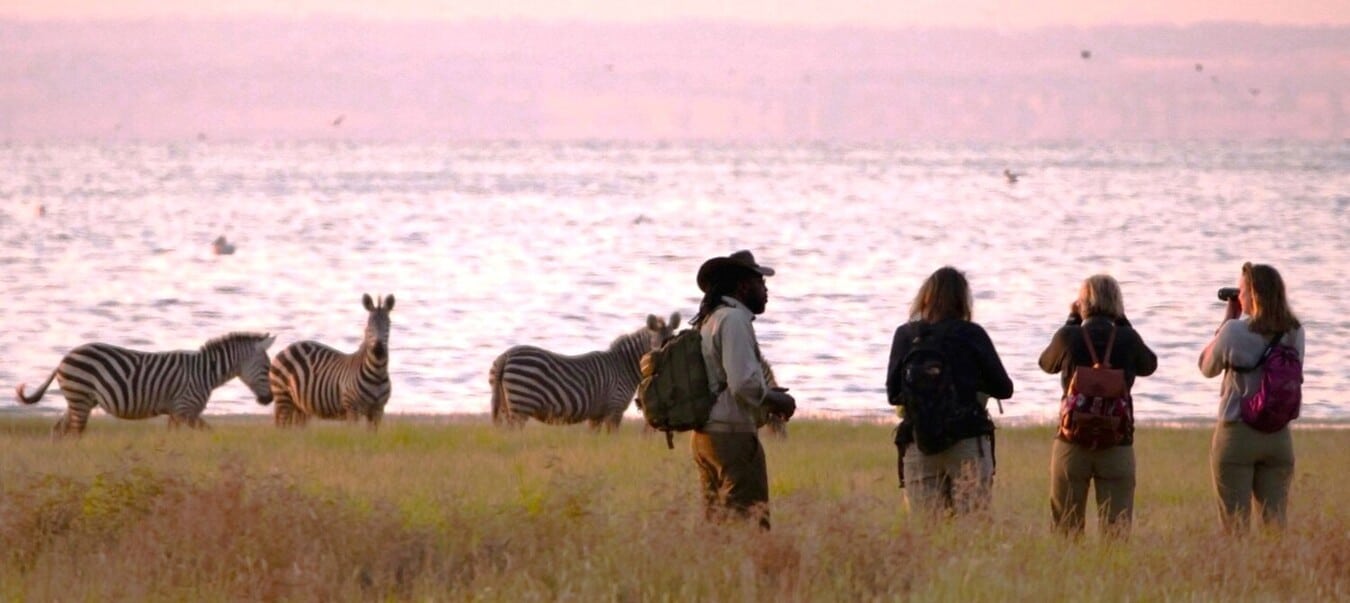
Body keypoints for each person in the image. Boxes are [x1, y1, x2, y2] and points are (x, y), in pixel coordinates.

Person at [886, 266, 1013, 517]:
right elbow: (1004, 388)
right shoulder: (972, 334)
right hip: (968, 441)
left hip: (918, 441)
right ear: (962, 300)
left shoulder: (906, 334)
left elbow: (893, 393)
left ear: (925, 296)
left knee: (925, 535)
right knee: (972, 531)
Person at [1038, 274, 1157, 538]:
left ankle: (1069, 576)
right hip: (1117, 443)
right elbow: (1150, 365)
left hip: (1072, 441)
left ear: (1082, 304)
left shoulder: (1069, 336)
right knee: (1117, 531)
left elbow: (1046, 363)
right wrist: (1124, 322)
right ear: (1118, 304)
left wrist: (1071, 320)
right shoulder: (1127, 338)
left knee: (1065, 531)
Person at [690, 250, 796, 530]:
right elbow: (742, 384)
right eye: (760, 282)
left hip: (707, 436)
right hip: (732, 437)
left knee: (717, 527)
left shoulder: (711, 318)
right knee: (748, 526)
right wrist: (777, 399)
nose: (766, 289)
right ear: (743, 286)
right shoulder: (734, 320)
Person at [1199, 262, 1305, 533]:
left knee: (1235, 527)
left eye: (1243, 291)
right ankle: (1276, 572)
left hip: (1237, 433)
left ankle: (1241, 574)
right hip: (1279, 437)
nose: (1240, 296)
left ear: (1253, 295)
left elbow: (1206, 367)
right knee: (1275, 526)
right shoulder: (1295, 331)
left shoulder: (1234, 331)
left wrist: (1227, 321)